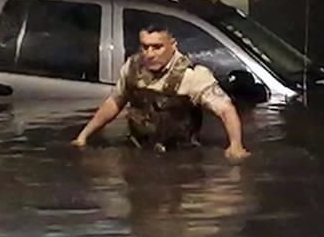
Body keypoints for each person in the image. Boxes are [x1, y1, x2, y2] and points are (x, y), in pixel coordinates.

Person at [72, 23, 250, 161]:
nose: (149, 54)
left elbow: (226, 110)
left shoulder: (192, 75)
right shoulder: (132, 68)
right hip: (139, 152)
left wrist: (236, 145)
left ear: (173, 45)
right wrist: (84, 136)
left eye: (157, 47)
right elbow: (115, 102)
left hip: (180, 158)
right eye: (145, 47)